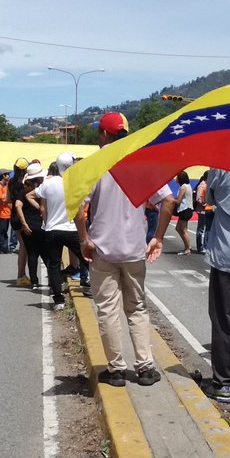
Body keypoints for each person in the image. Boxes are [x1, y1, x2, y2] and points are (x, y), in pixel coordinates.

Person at [154, 169, 230, 403]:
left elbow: (211, 199)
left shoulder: (223, 164)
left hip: (227, 252)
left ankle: (223, 383)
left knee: (224, 321)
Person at [76, 112, 169, 388]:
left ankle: (116, 370)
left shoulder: (95, 164)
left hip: (103, 251)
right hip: (134, 251)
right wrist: (158, 237)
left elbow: (80, 208)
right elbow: (169, 200)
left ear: (104, 135)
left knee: (107, 310)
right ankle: (145, 368)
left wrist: (84, 239)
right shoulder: (140, 161)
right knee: (137, 309)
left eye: (98, 133)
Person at [26, 153, 87, 310]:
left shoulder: (48, 183)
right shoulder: (75, 183)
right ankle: (88, 284)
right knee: (87, 258)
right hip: (71, 228)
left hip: (52, 229)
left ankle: (58, 300)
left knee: (53, 265)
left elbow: (37, 200)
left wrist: (44, 217)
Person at [171, 171, 195, 255]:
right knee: (178, 228)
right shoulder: (188, 186)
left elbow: (178, 200)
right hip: (187, 210)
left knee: (183, 230)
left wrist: (170, 200)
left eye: (177, 177)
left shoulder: (183, 187)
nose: (176, 179)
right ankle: (187, 246)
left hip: (185, 210)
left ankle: (188, 248)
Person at [0, 170, 14, 253]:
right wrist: (7, 201)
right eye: (7, 175)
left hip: (8, 212)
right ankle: (2, 248)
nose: (9, 176)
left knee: (5, 230)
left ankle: (5, 248)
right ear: (3, 176)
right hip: (2, 213)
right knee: (2, 231)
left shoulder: (7, 185)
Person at [194, 171, 214, 253]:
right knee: (201, 229)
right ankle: (200, 247)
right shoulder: (202, 185)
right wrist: (205, 203)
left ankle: (205, 245)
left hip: (207, 209)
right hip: (202, 210)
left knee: (207, 229)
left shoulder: (207, 185)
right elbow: (198, 199)